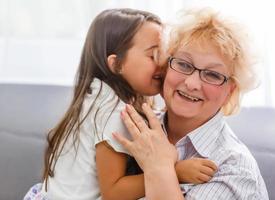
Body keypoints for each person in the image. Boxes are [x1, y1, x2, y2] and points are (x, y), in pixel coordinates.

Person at [23, 8, 217, 200]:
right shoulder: (115, 113)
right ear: (116, 64)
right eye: (153, 56)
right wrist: (175, 171)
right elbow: (113, 193)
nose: (163, 64)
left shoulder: (96, 93)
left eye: (164, 55)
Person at [114, 8, 269, 200]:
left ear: (230, 91)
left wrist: (160, 167)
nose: (191, 83)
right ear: (165, 67)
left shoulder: (235, 168)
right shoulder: (135, 126)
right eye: (184, 64)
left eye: (213, 75)